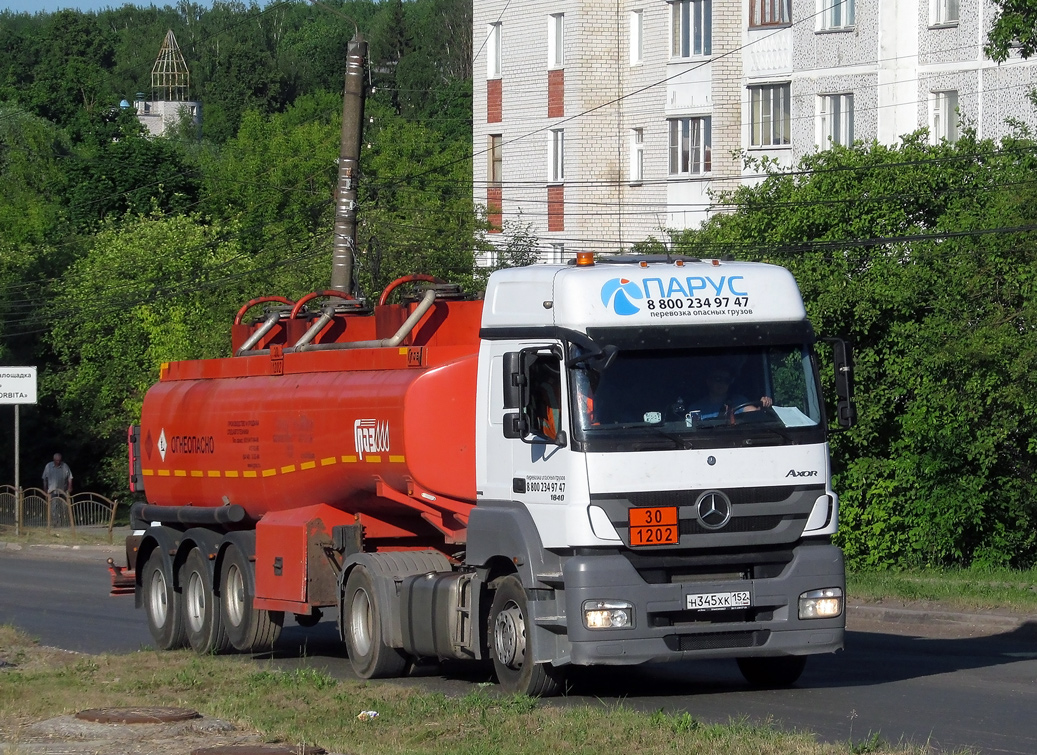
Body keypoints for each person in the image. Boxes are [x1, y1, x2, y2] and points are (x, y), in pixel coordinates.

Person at [688, 368, 772, 420]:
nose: (722, 383)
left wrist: (763, 405)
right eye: (718, 379)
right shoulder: (696, 408)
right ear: (709, 381)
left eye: (726, 380)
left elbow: (755, 413)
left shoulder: (739, 401)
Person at [42, 453, 73, 523]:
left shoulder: (65, 466)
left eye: (59, 460)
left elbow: (70, 477)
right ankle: (55, 522)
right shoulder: (48, 466)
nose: (58, 462)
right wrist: (45, 490)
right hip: (52, 491)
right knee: (53, 508)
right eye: (56, 460)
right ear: (54, 460)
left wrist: (70, 487)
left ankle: (64, 521)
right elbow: (44, 479)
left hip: (63, 491)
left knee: (64, 507)